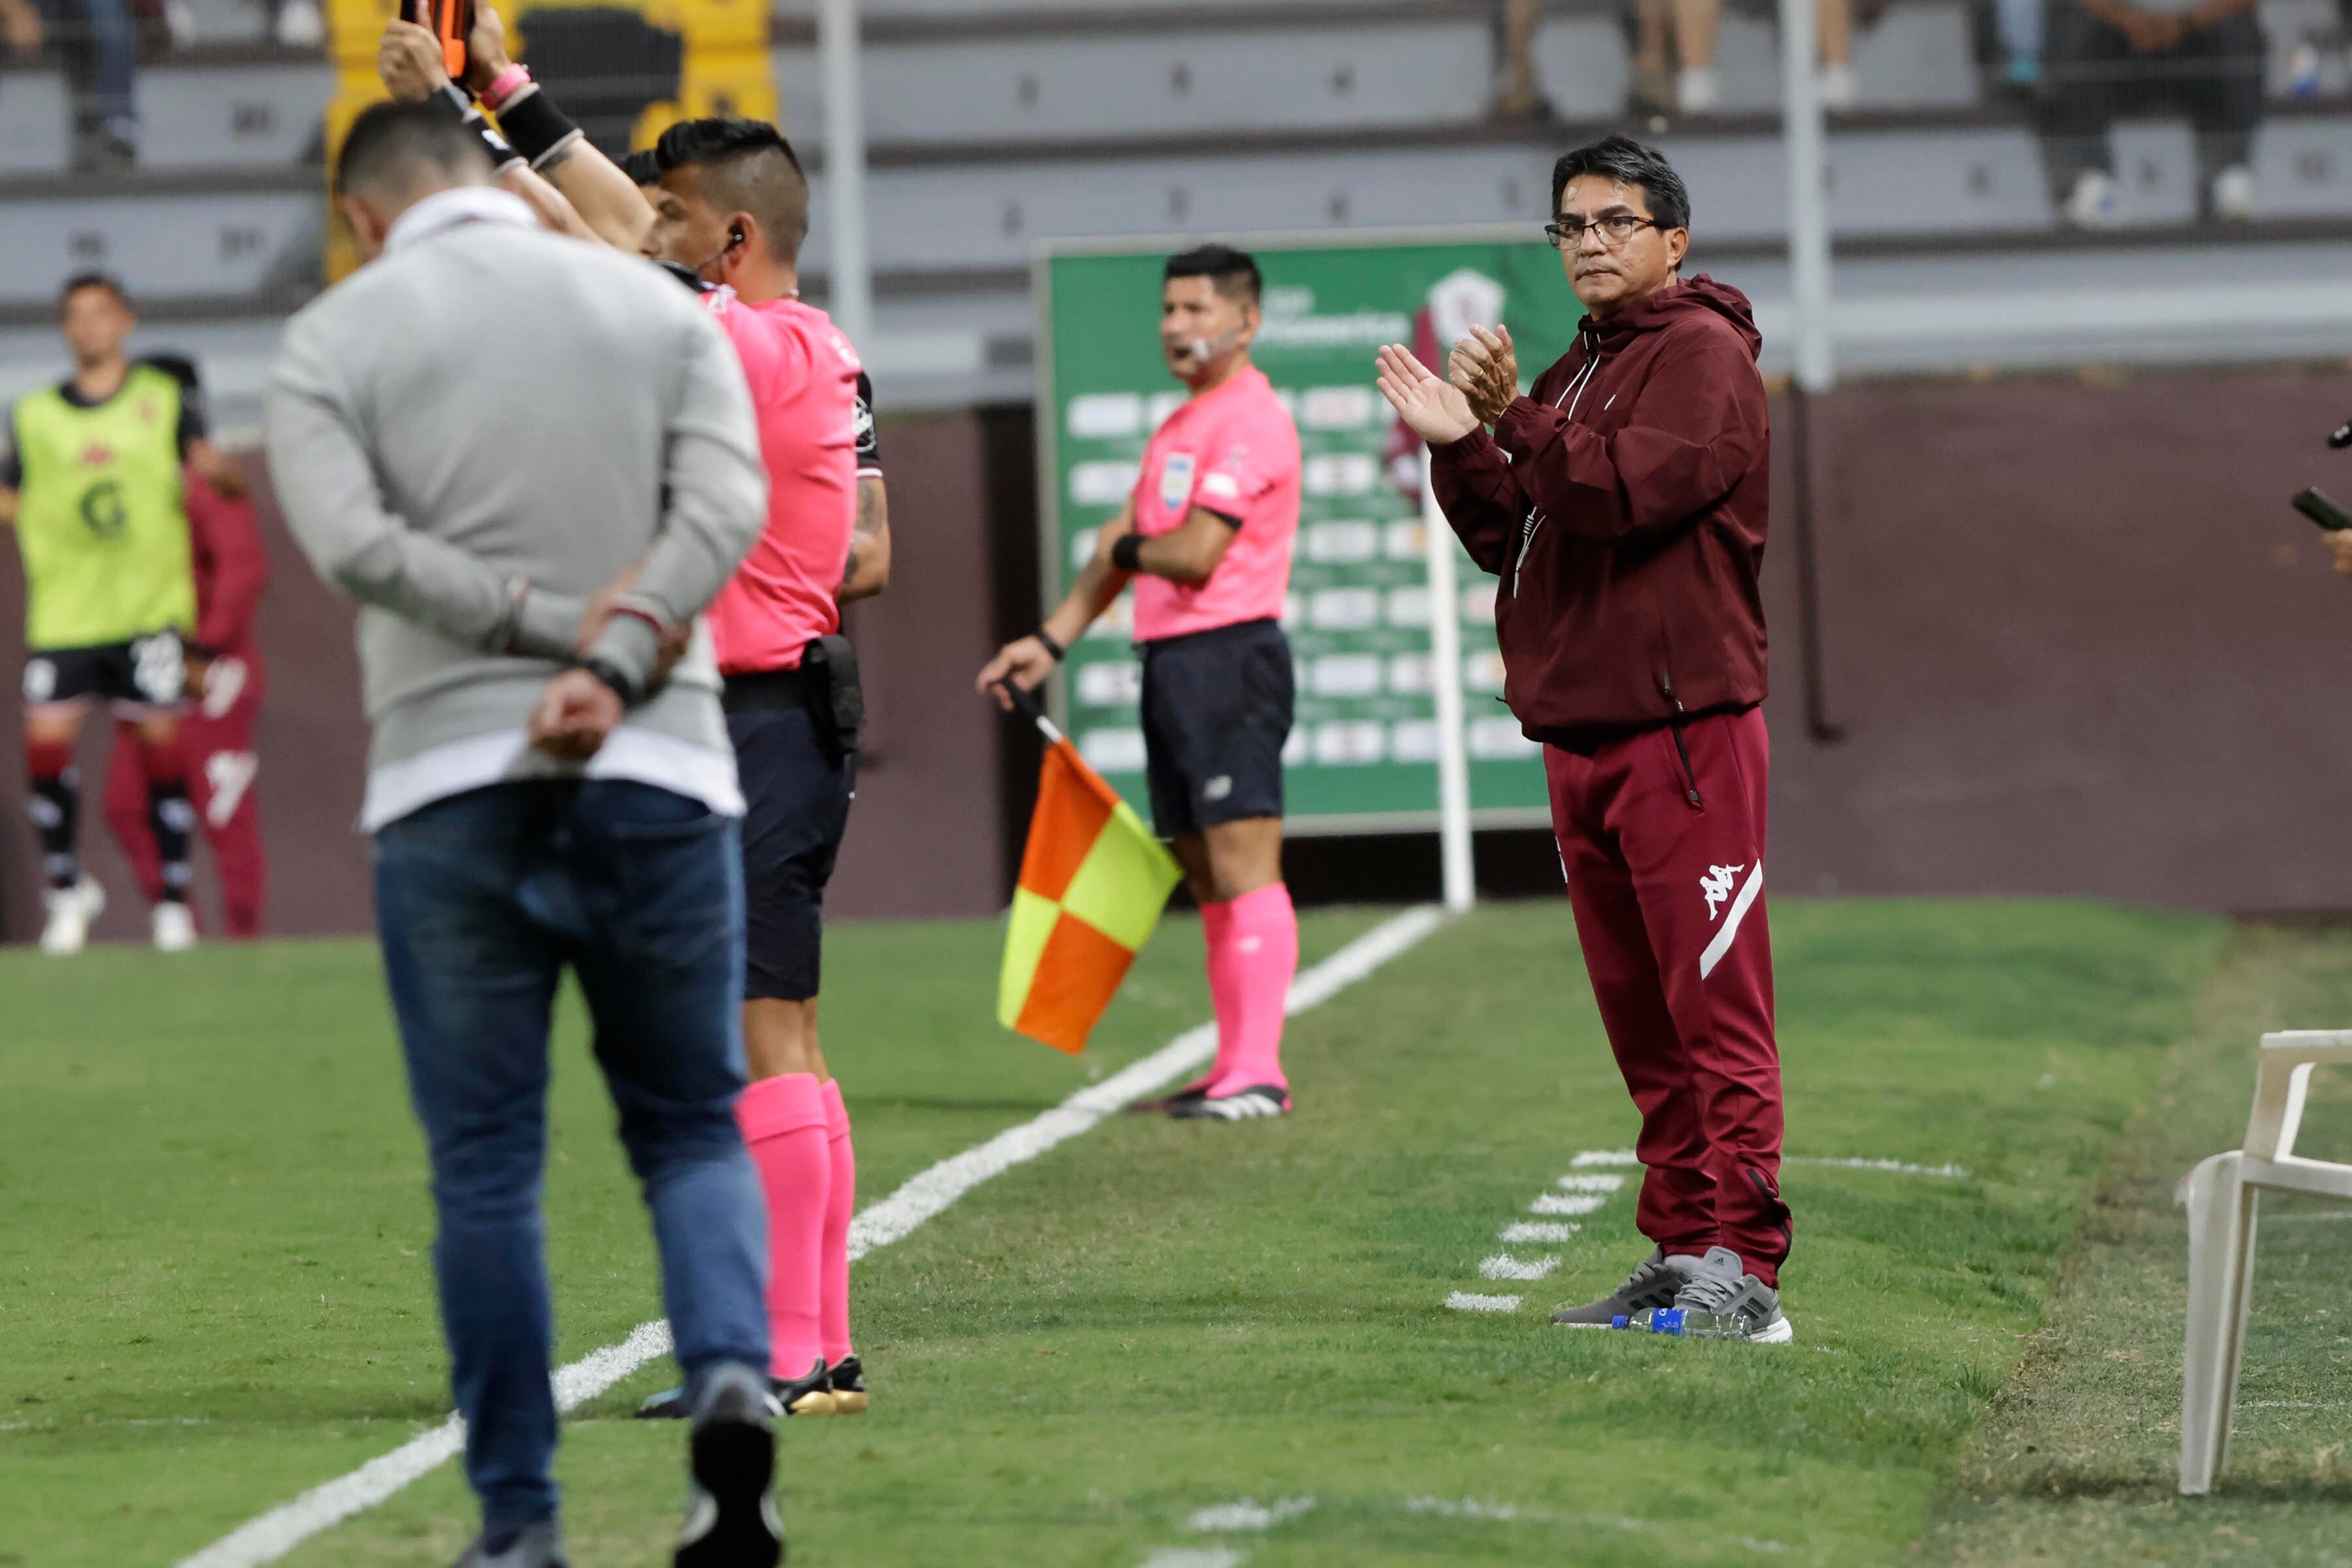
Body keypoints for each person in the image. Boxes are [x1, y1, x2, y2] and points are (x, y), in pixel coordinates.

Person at [263, 100, 782, 1568]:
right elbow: (729, 501)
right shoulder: (647, 302)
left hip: (447, 780)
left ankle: (520, 1525)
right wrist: (615, 651)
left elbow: (358, 550)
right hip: (662, 766)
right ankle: (735, 1377)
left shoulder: (332, 343)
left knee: (487, 1168)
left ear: (367, 215)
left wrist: (534, 630)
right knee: (687, 1127)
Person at [433, 14, 892, 1418]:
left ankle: (790, 1348)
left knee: (760, 1032)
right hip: (777, 711)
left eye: (678, 221)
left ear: (733, 242)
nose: (652, 238)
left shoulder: (750, 346)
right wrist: (490, 97)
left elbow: (586, 228)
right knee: (782, 1031)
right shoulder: (815, 349)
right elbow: (872, 552)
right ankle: (811, 1341)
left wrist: (482, 98)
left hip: (758, 718)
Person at [1375, 135, 1790, 1343]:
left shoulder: (1706, 357)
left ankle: (1749, 1276)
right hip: (1585, 735)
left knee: (1715, 1014)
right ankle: (1679, 1252)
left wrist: (1520, 423)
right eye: (1571, 226)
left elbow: (1624, 497)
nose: (1591, 243)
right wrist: (1465, 440)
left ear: (1675, 238)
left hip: (1683, 736)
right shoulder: (1579, 367)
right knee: (1645, 1024)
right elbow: (1519, 534)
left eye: (1615, 222)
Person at [977, 243, 1304, 1123]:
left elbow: (1190, 554)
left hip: (1231, 657)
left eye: (1196, 310)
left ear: (1246, 321)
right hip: (1173, 664)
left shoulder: (1251, 420)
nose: (1176, 326)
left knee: (1242, 862)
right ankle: (1233, 1067)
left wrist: (1121, 549)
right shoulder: (1182, 426)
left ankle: (1259, 1073)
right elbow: (1121, 549)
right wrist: (1049, 640)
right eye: (1169, 310)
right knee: (1204, 869)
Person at [1, 273, 244, 955]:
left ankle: (172, 905)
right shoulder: (34, 414)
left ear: (125, 323)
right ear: (64, 329)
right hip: (66, 613)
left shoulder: (164, 401)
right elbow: (12, 497)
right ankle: (66, 892)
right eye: (76, 317)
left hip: (147, 612)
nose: (90, 328)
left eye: (101, 315)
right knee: (45, 750)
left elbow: (212, 470)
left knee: (164, 758)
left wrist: (222, 475)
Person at [102, 366, 270, 939]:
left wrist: (204, 647)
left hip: (207, 673)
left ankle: (243, 944)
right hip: (152, 671)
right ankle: (181, 931)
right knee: (126, 805)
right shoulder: (135, 483)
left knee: (223, 812)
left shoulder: (203, 482)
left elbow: (244, 569)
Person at [2039, 0, 2264, 225]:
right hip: (2119, 39)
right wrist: (2129, 20)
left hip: (2196, 36)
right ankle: (2093, 179)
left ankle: (2230, 175)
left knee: (2239, 27)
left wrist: (2184, 24)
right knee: (2070, 22)